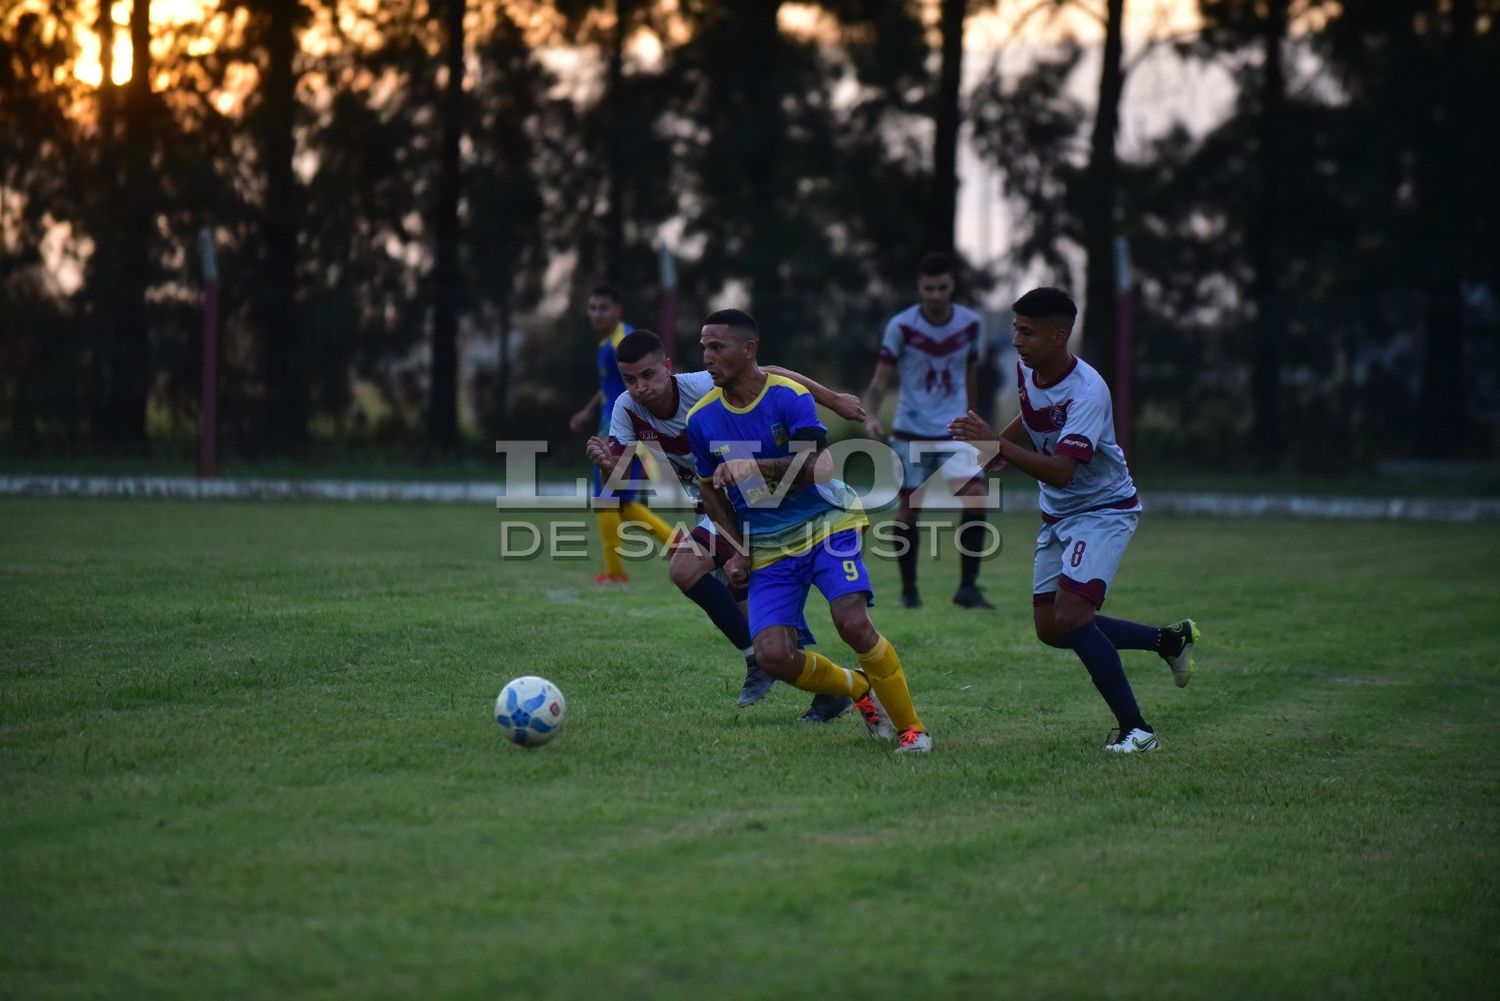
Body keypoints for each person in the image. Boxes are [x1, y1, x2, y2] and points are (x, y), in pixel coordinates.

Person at [947, 286, 1199, 753]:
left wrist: (997, 446)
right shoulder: (1028, 369)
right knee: (1051, 628)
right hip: (1059, 513)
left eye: (1027, 332)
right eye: (1015, 329)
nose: (1016, 341)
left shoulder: (1088, 391)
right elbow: (1029, 415)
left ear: (1060, 335)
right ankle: (1167, 640)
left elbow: (1063, 473)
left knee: (1073, 615)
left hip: (1102, 510)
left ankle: (1137, 731)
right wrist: (990, 454)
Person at [687, 308, 933, 753]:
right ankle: (856, 688)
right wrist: (735, 548)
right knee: (773, 656)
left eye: (716, 346)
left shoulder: (788, 396)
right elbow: (711, 495)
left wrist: (754, 464)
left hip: (826, 525)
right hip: (767, 544)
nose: (706, 356)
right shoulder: (701, 419)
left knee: (853, 623)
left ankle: (912, 731)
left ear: (749, 350)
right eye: (703, 346)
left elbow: (818, 467)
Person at [585, 330, 864, 722]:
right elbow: (622, 473)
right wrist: (609, 466)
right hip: (717, 507)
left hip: (761, 500)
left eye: (648, 376)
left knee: (700, 574)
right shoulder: (626, 408)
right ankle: (822, 688)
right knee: (749, 605)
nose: (640, 388)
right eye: (630, 380)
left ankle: (774, 667)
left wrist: (834, 400)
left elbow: (775, 374)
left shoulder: (700, 386)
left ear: (668, 367)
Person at [863, 252, 994, 611]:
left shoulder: (971, 323)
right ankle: (909, 592)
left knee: (977, 498)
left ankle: (967, 588)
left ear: (952, 286)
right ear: (919, 288)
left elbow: (970, 374)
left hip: (955, 429)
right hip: (911, 430)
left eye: (942, 287)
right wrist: (871, 415)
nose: (935, 295)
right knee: (910, 510)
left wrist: (974, 420)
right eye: (929, 288)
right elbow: (880, 378)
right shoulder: (901, 326)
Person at [567, 284, 674, 584]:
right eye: (592, 308)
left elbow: (651, 382)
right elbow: (610, 389)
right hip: (616, 428)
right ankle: (680, 545)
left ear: (618, 310)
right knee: (622, 504)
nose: (597, 314)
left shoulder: (623, 343)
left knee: (606, 500)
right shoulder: (608, 344)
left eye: (603, 308)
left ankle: (615, 573)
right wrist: (589, 411)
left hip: (620, 433)